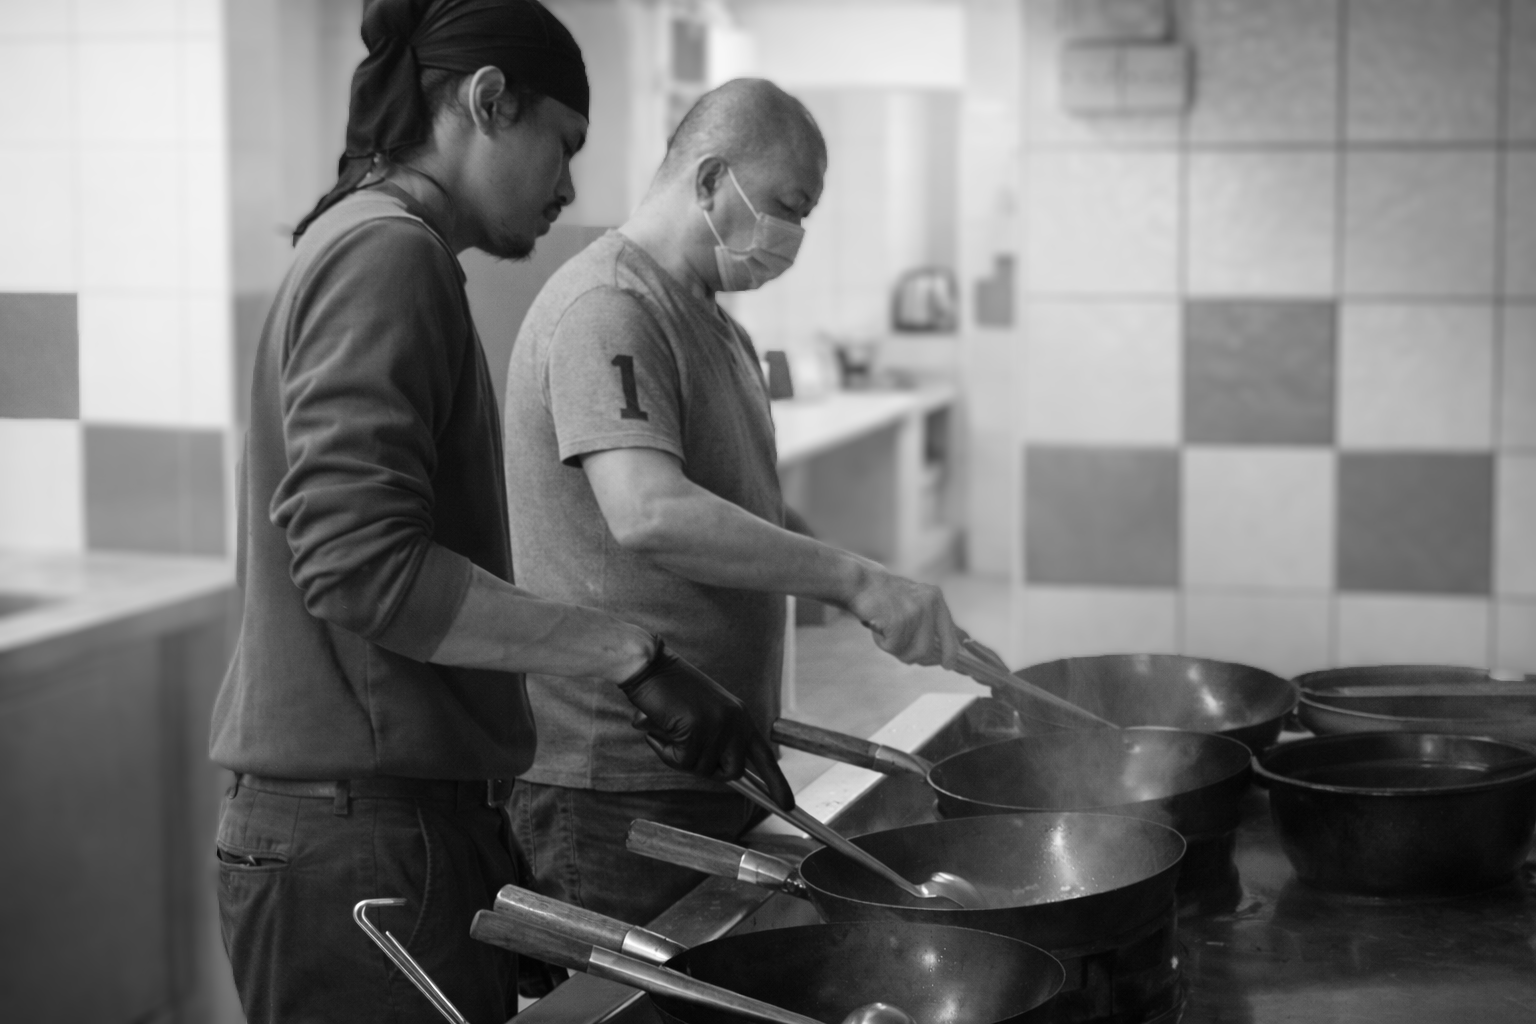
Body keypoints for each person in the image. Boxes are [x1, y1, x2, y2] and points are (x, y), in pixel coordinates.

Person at [207, 5, 791, 1023]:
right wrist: (630, 656)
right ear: (486, 103)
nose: (569, 183)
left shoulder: (366, 240)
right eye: (560, 143)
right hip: (360, 838)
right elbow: (359, 566)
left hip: (391, 819)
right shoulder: (388, 255)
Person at [502, 78, 973, 930]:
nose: (794, 235)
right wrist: (854, 580)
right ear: (712, 179)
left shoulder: (714, 322)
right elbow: (649, 512)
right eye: (789, 205)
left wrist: (859, 579)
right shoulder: (611, 306)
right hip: (616, 772)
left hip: (710, 754)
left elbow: (729, 501)